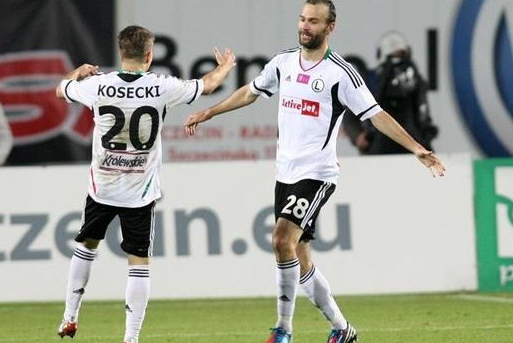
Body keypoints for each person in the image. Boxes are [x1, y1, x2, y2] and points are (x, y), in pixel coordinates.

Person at [184, 1, 445, 343]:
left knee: (281, 239)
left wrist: (416, 149)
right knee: (300, 253)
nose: (305, 26)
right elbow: (250, 92)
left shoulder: (340, 73)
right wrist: (209, 113)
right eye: (303, 19)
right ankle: (342, 329)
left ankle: (283, 329)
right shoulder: (283, 62)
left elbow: (376, 114)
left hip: (317, 174)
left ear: (330, 27)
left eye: (314, 22)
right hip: (286, 173)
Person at [54, 25, 235, 343]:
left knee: (86, 247)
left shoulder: (97, 85)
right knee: (138, 263)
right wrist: (226, 66)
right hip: (139, 192)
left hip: (103, 187)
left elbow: (60, 89)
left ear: (121, 53)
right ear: (149, 56)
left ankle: (70, 317)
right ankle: (131, 338)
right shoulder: (162, 86)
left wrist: (78, 72)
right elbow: (207, 87)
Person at [354, 31, 438, 154]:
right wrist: (359, 135)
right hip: (387, 138)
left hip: (402, 139)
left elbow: (421, 109)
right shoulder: (371, 79)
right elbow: (351, 113)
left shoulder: (412, 78)